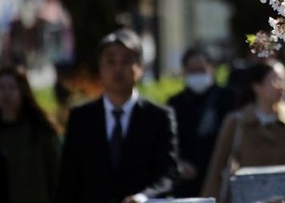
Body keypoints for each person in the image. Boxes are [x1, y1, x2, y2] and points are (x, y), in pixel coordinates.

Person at [55, 28, 178, 203]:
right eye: (111, 61)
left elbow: (168, 175)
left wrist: (144, 197)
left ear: (140, 68)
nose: (118, 69)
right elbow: (67, 180)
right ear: (100, 67)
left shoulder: (159, 117)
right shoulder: (81, 118)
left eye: (126, 61)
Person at [201, 59, 285, 201]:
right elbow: (218, 168)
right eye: (275, 81)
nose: (282, 86)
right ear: (257, 86)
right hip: (249, 197)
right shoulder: (237, 122)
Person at [167, 46, 234, 197]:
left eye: (202, 70)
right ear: (184, 71)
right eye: (193, 71)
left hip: (220, 177)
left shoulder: (227, 99)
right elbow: (167, 141)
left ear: (211, 69)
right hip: (187, 182)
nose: (198, 76)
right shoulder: (175, 103)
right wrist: (178, 164)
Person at [0, 65, 60, 203]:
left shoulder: (39, 132)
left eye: (11, 88)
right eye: (1, 88)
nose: (6, 94)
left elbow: (55, 178)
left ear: (22, 92)